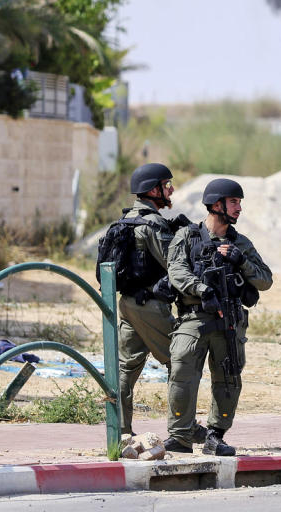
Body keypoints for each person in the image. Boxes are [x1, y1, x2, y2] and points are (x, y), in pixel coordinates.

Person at [164, 178, 272, 455]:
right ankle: (180, 436)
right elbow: (176, 271)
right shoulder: (187, 237)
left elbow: (265, 280)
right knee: (181, 372)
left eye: (239, 203)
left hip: (229, 322)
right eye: (234, 202)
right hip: (194, 318)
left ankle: (215, 436)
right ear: (216, 205)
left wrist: (241, 261)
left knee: (228, 378)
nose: (239, 208)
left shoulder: (240, 243)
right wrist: (200, 289)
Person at [116, 162, 206, 442]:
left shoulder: (126, 219)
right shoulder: (153, 223)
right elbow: (175, 265)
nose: (171, 189)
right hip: (151, 306)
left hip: (128, 304)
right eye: (166, 185)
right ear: (151, 190)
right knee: (182, 361)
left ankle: (118, 430)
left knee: (125, 368)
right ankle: (184, 428)